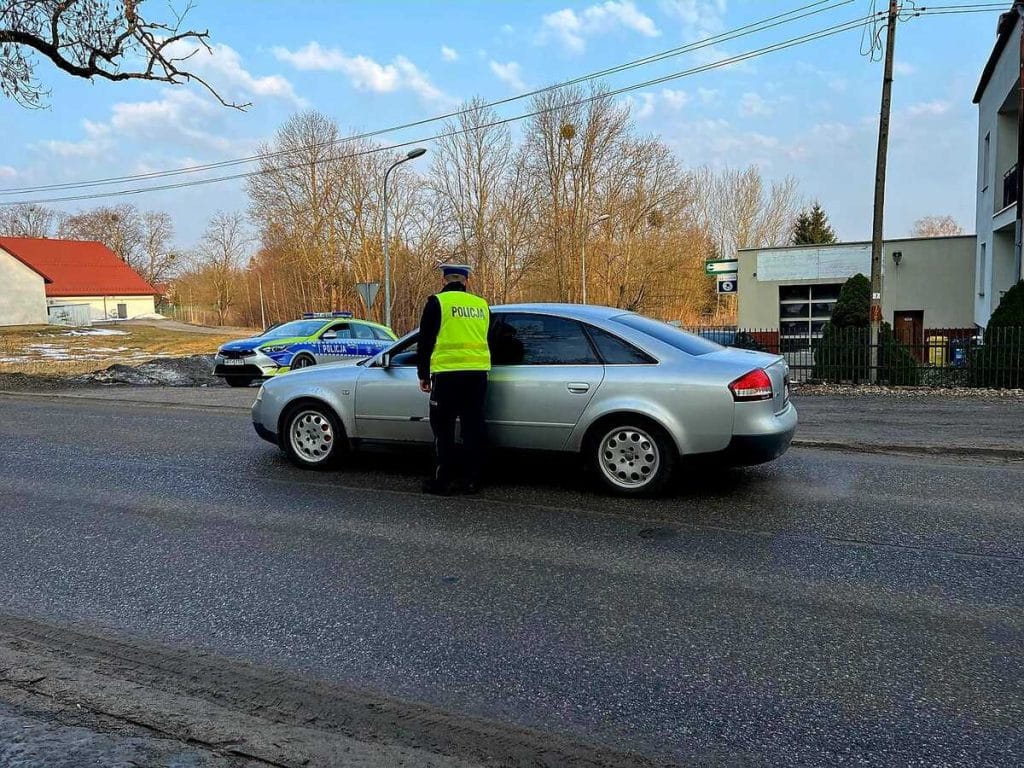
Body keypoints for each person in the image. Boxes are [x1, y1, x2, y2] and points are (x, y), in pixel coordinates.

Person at [416, 264, 491, 496]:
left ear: (444, 280)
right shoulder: (481, 305)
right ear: (466, 282)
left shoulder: (437, 302)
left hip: (447, 376)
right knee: (472, 428)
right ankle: (470, 481)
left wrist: (423, 374)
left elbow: (425, 341)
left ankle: (443, 481)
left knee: (443, 429)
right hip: (477, 376)